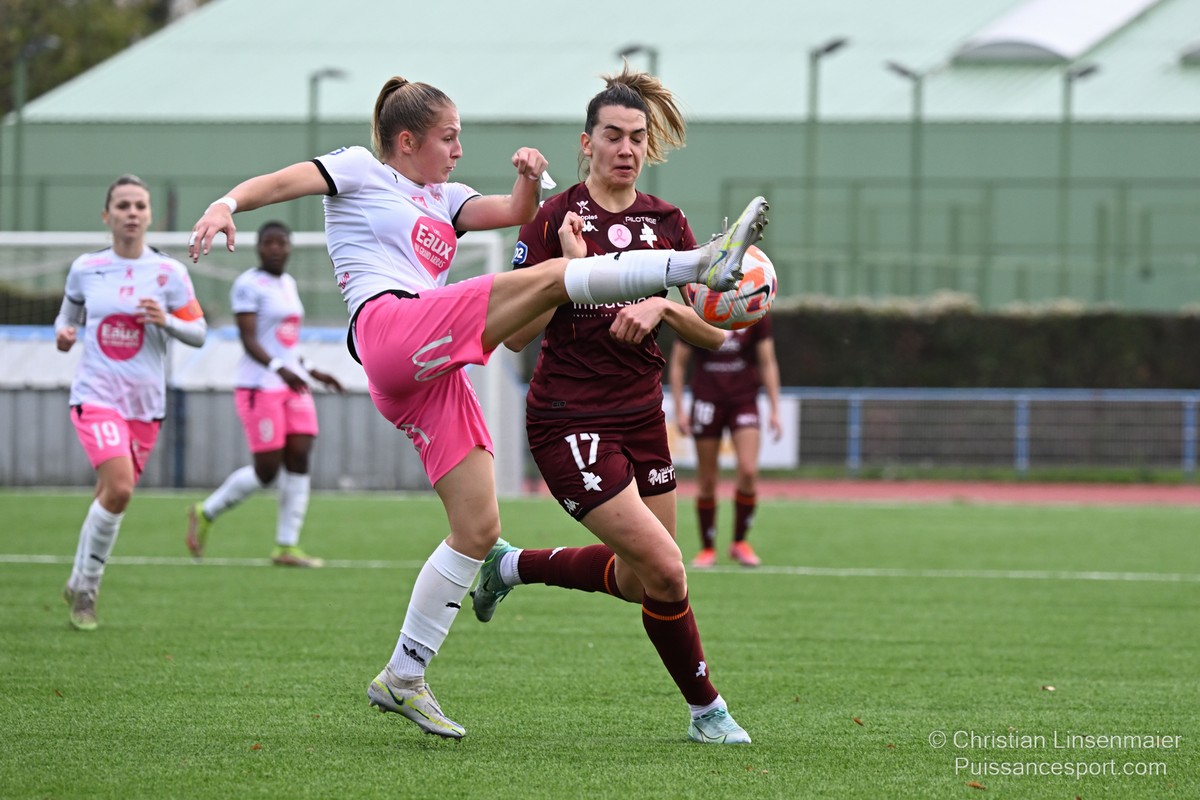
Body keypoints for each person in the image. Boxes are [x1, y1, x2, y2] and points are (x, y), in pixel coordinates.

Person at [187, 74, 768, 740]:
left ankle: (404, 674)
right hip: (390, 326)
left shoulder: (447, 198)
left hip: (429, 371)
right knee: (555, 275)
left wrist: (528, 178)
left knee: (479, 527)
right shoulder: (359, 168)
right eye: (450, 137)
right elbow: (280, 183)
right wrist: (226, 204)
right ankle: (694, 265)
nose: (460, 149)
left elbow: (513, 209)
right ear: (408, 141)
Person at [469, 66, 753, 744]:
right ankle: (707, 712)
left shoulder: (668, 222)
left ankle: (510, 565)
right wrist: (570, 275)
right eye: (613, 136)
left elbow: (714, 333)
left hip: (641, 415)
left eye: (636, 137)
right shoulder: (554, 219)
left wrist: (663, 307)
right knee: (668, 569)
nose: (626, 149)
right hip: (569, 419)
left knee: (638, 580)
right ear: (586, 143)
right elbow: (514, 337)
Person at [56, 174, 208, 631]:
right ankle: (88, 589)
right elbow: (66, 320)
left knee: (108, 494)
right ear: (107, 215)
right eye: (123, 206)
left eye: (140, 206)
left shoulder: (168, 273)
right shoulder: (86, 268)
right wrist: (64, 335)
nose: (132, 213)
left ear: (150, 215)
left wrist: (166, 321)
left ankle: (77, 577)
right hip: (96, 396)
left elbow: (199, 333)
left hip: (145, 405)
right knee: (120, 489)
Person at [186, 220, 345, 568]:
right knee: (267, 471)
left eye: (281, 242)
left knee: (300, 456)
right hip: (260, 386)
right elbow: (249, 339)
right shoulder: (248, 285)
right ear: (258, 247)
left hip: (292, 382)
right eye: (268, 243)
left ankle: (286, 546)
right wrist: (278, 369)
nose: (275, 248)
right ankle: (206, 511)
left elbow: (286, 344)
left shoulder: (288, 284)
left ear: (289, 247)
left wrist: (312, 369)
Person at [669, 317, 782, 568]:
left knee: (748, 471)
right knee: (708, 480)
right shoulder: (697, 311)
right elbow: (678, 363)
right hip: (706, 401)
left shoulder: (755, 311)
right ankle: (708, 548)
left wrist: (775, 408)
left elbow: (767, 362)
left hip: (744, 400)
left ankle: (740, 542)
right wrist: (679, 409)